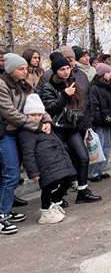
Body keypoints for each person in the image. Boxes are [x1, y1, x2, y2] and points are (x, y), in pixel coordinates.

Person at [38, 55, 101, 204]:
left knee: (83, 157)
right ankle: (57, 196)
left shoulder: (71, 81)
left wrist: (82, 118)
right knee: (61, 164)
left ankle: (82, 191)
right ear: (55, 71)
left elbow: (79, 104)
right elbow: (51, 108)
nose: (66, 72)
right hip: (57, 129)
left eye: (67, 68)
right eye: (62, 69)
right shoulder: (48, 86)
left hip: (72, 127)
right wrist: (65, 95)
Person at [0, 54, 52, 234]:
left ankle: (4, 209)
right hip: (5, 134)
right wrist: (37, 126)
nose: (25, 71)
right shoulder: (2, 85)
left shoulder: (24, 84)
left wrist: (47, 121)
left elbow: (36, 104)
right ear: (10, 69)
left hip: (19, 132)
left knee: (9, 174)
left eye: (25, 68)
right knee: (11, 173)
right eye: (20, 68)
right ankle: (2, 215)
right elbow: (10, 113)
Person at [18, 94, 76, 224]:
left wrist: (66, 159)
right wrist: (33, 172)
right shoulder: (26, 132)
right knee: (48, 187)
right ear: (26, 115)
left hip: (58, 162)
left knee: (67, 180)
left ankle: (54, 202)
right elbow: (28, 154)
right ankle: (45, 211)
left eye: (39, 114)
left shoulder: (46, 126)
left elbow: (58, 143)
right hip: (44, 166)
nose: (37, 117)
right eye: (33, 115)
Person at [87, 63, 111, 182]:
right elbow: (94, 106)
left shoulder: (108, 86)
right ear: (103, 74)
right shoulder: (94, 88)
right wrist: (99, 119)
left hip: (107, 120)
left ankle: (101, 169)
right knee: (98, 147)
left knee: (106, 147)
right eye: (109, 72)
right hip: (99, 122)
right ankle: (93, 172)